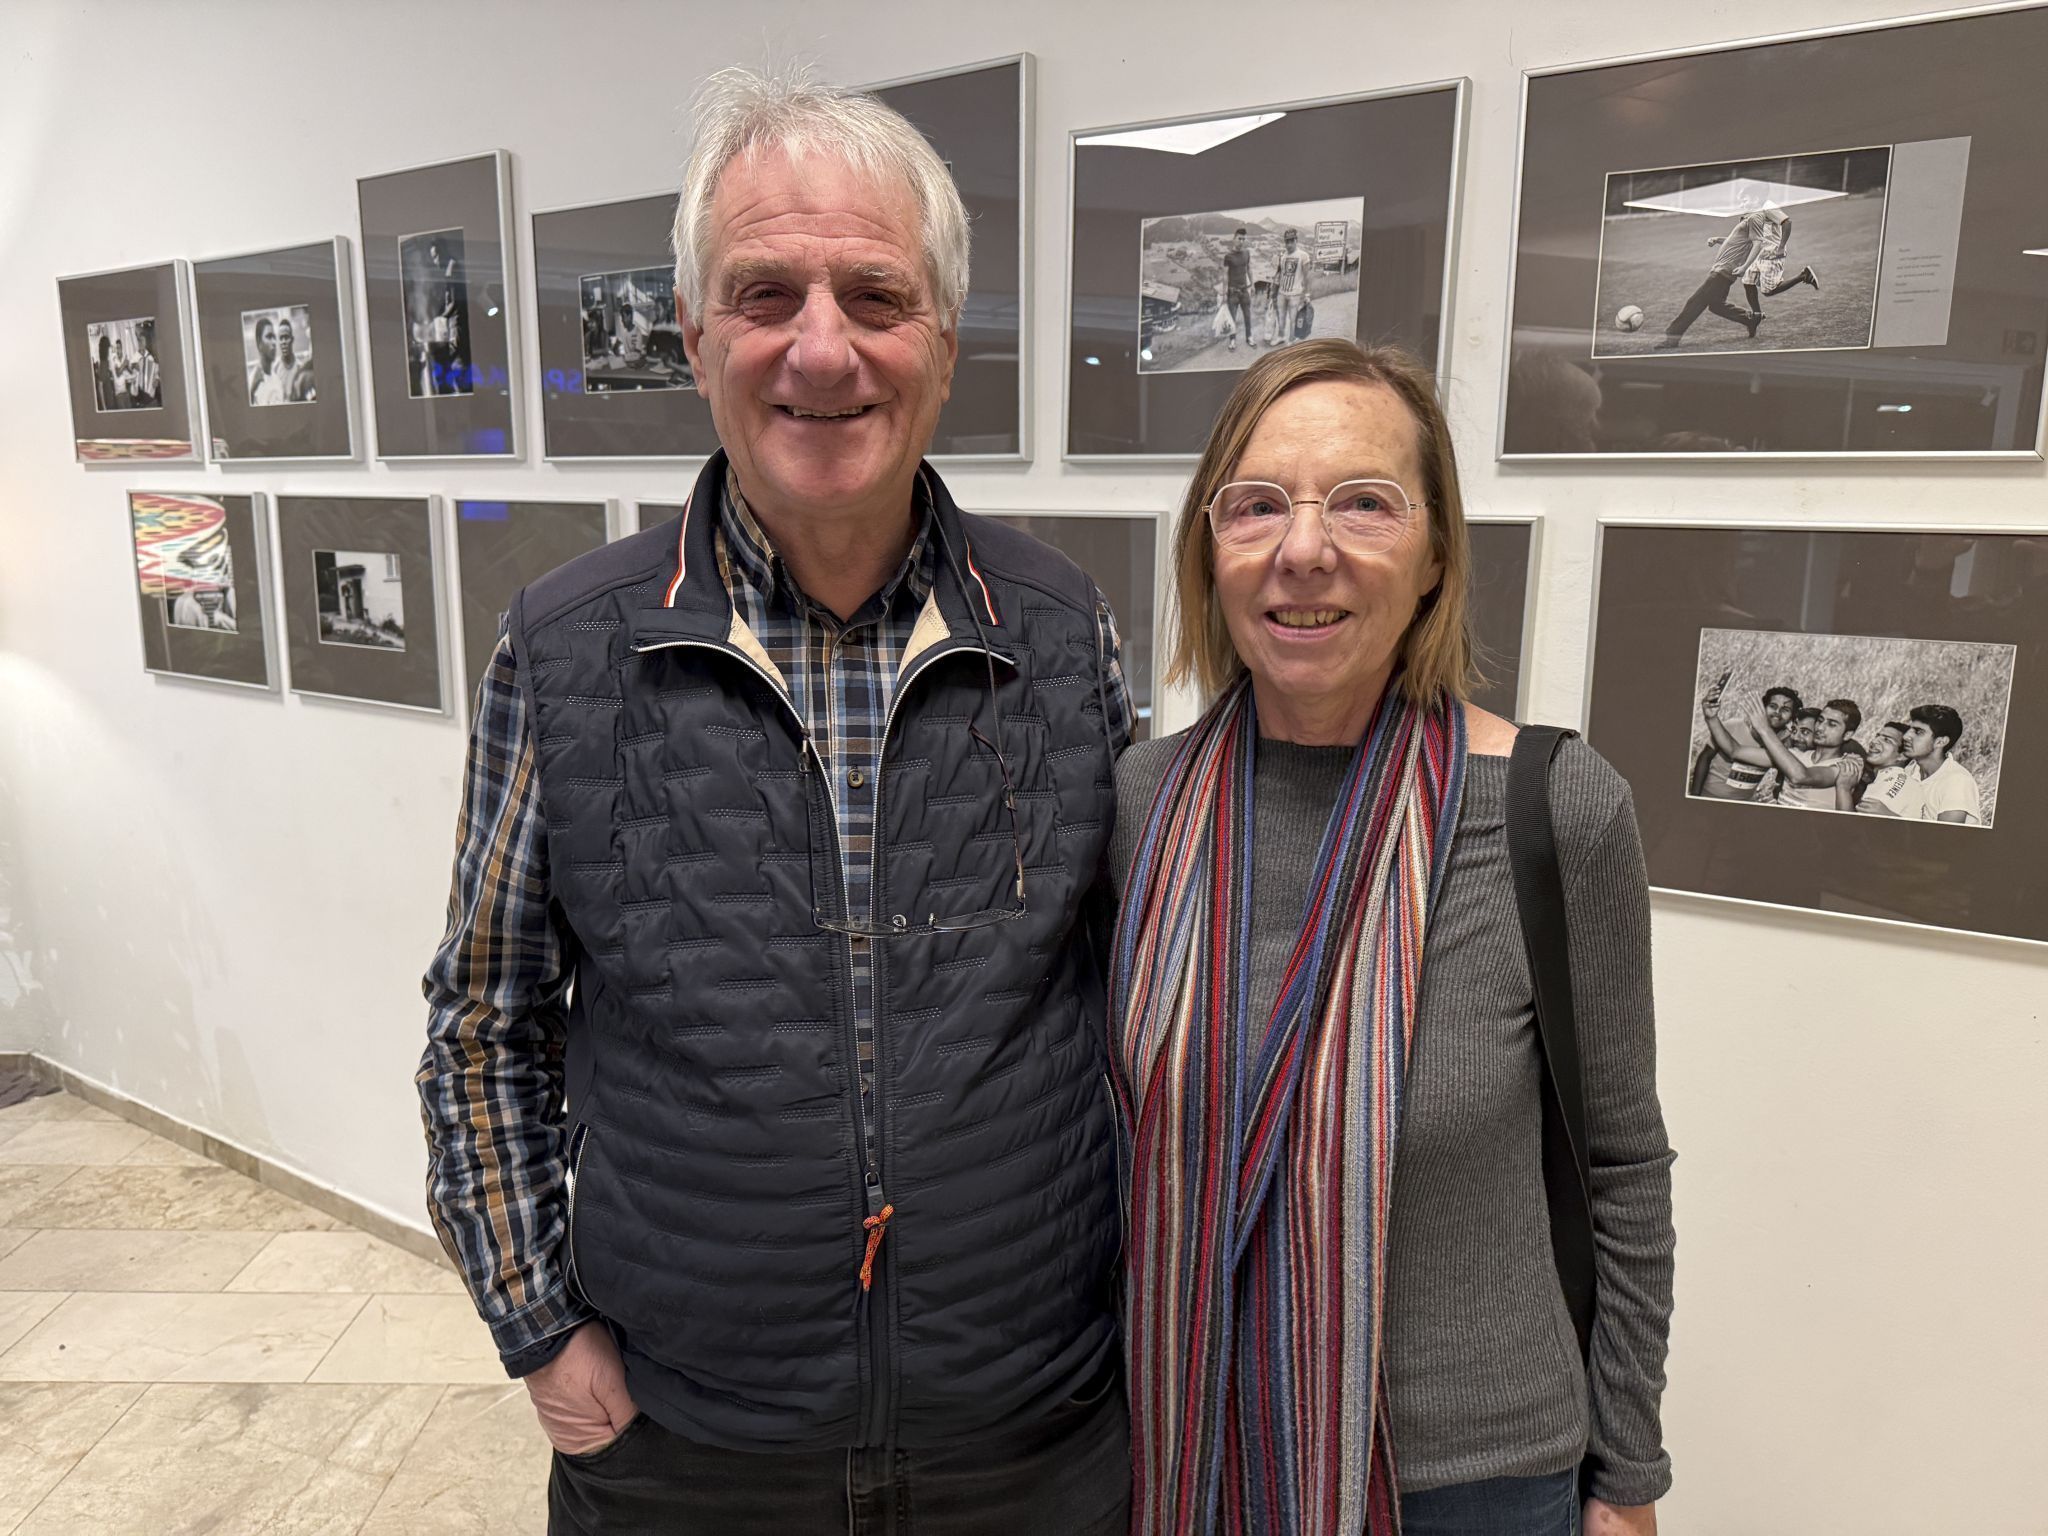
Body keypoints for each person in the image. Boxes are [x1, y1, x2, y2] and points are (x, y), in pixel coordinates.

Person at [419, 64, 1133, 1536]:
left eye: (876, 296)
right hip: (691, 1460)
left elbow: (1147, 1000)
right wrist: (539, 1329)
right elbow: (484, 1025)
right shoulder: (564, 646)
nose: (823, 350)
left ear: (944, 342)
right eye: (765, 294)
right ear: (693, 334)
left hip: (1032, 1447)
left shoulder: (1066, 635)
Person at [1109, 339, 1673, 1536]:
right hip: (1181, 1449)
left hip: (1472, 1484)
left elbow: (1620, 1169)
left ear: (1431, 559)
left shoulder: (1552, 809)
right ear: (1210, 553)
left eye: (1361, 503)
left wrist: (1626, 1479)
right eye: (1256, 505)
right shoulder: (1138, 805)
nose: (1302, 548)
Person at [1653, 190, 1782, 349]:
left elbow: (1757, 243)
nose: (1742, 203)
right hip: (1722, 270)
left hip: (1723, 271)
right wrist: (1718, 240)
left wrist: (1745, 266)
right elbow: (1736, 242)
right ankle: (1750, 319)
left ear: (1755, 198)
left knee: (1694, 302)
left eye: (1744, 199)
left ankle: (1672, 337)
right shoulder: (1748, 218)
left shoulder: (1755, 217)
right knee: (1716, 305)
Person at [1692, 683, 1798, 799]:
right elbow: (1705, 757)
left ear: (1792, 717)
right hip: (1709, 795)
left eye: (1785, 709)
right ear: (1762, 708)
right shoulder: (1732, 726)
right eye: (1773, 706)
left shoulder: (1782, 745)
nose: (1777, 711)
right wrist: (1696, 795)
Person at [1902, 704, 1983, 824]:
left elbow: (1946, 838)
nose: (1906, 736)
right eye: (1909, 730)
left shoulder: (1957, 782)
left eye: (1918, 732)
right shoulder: (1911, 769)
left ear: (1940, 742)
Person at [1844, 720, 1914, 815]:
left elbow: (1851, 825)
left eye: (1887, 740)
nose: (1873, 741)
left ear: (1902, 755)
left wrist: (1844, 788)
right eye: (1877, 736)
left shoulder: (1891, 782)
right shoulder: (1883, 777)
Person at [1272, 226, 1312, 345]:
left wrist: (1307, 295)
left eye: (1291, 241)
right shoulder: (1283, 256)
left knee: (1293, 319)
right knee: (1281, 317)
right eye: (1287, 241)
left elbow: (1307, 277)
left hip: (1295, 293)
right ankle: (1280, 336)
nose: (1289, 244)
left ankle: (1291, 340)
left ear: (1296, 241)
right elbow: (1280, 274)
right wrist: (1274, 291)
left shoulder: (1303, 256)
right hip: (1282, 292)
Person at [1221, 226, 1254, 351]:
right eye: (1239, 238)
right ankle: (1232, 340)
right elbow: (1225, 275)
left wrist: (1253, 285)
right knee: (1232, 318)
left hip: (1244, 290)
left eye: (1243, 239)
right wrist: (1224, 294)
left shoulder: (1247, 253)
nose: (1241, 241)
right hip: (1233, 292)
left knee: (1247, 315)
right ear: (1234, 239)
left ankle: (1249, 337)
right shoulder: (1228, 256)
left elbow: (1249, 269)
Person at [274, 315, 315, 402]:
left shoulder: (300, 368)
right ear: (278, 342)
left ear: (292, 339)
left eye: (286, 337)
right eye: (281, 338)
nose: (284, 342)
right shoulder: (275, 369)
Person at [247, 316, 278, 405]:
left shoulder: (277, 381)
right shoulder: (252, 383)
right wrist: (252, 391)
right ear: (259, 343)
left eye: (274, 337)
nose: (274, 342)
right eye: (269, 337)